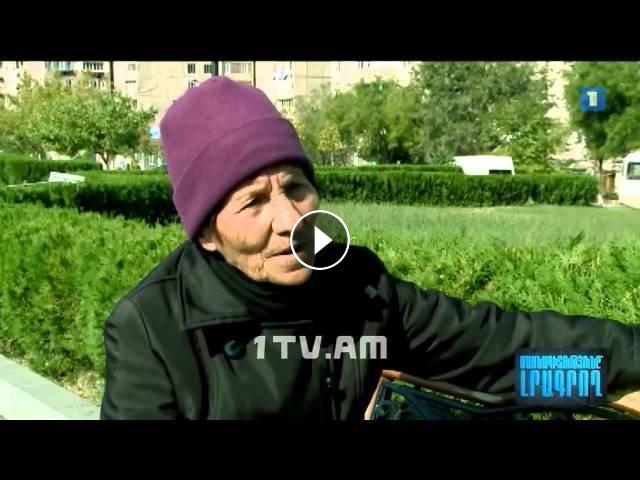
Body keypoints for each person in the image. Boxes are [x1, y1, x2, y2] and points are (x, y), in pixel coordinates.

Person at [100, 77, 640, 420]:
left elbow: (502, 355)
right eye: (253, 202)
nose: (290, 221)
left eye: (295, 188)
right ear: (206, 233)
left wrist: (605, 379)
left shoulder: (359, 285)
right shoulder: (150, 328)